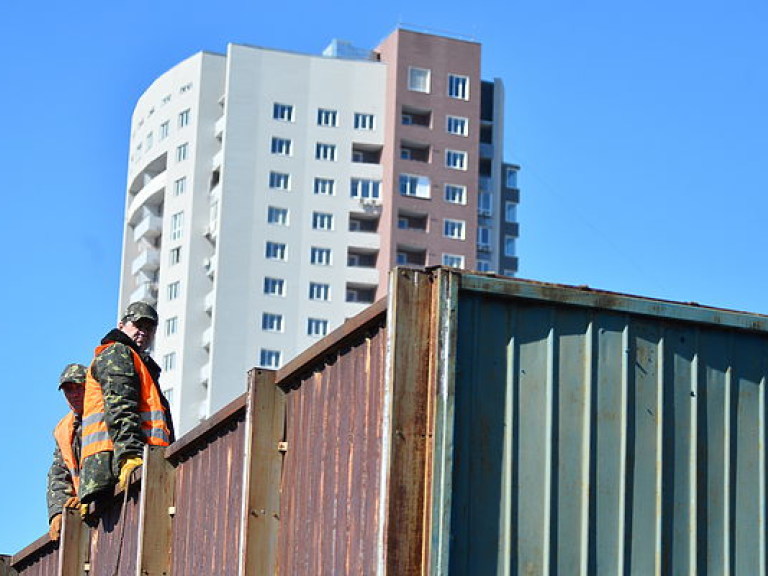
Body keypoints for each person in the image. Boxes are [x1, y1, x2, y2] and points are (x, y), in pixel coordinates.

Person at [79, 301, 175, 507]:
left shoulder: (137, 361)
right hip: (117, 466)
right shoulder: (118, 352)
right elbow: (121, 407)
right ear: (121, 326)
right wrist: (130, 456)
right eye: (138, 325)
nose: (144, 332)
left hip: (115, 468)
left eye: (150, 328)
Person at [47, 363, 87, 541]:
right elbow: (58, 473)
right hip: (83, 510)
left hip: (108, 498)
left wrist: (89, 494)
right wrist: (57, 512)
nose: (74, 394)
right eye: (68, 390)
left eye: (79, 387)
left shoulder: (105, 414)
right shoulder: (63, 429)